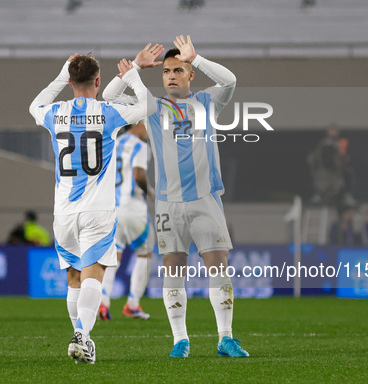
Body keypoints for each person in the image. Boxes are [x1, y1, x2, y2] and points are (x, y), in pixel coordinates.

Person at [103, 36, 249, 358]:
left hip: (205, 199)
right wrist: (136, 66)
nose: (170, 75)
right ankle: (179, 340)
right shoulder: (152, 107)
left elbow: (230, 80)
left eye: (178, 70)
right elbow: (108, 96)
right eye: (166, 71)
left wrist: (196, 58)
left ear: (190, 74)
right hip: (169, 203)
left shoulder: (209, 102)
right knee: (173, 269)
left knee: (218, 267)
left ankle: (225, 337)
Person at [29, 53, 155, 364]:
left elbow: (34, 105)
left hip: (64, 212)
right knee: (93, 276)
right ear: (97, 82)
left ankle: (80, 337)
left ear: (70, 82)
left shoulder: (54, 112)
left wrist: (61, 74)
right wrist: (133, 75)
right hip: (98, 211)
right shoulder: (109, 113)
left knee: (74, 277)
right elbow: (149, 106)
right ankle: (82, 335)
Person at [99, 121, 152, 321]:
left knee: (114, 256)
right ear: (139, 123)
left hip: (112, 207)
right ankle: (132, 304)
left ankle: (103, 303)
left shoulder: (113, 142)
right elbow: (138, 174)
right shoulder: (140, 146)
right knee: (146, 252)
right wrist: (150, 192)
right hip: (133, 207)